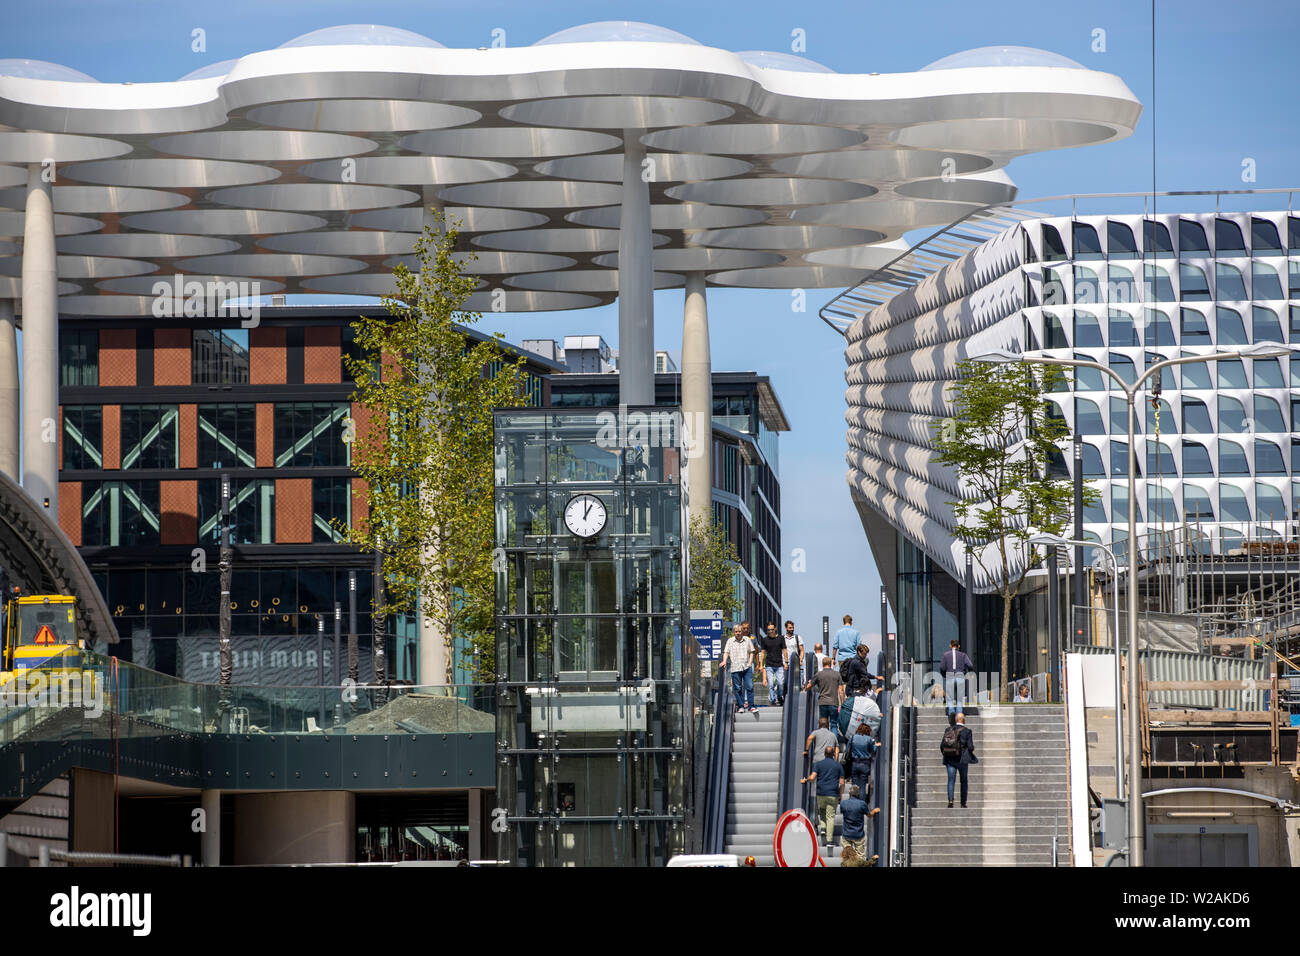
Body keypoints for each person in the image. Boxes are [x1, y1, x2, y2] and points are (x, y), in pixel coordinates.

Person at [800, 744, 843, 849]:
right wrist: (840, 795)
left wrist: (806, 780)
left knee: (822, 811)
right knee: (830, 816)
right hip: (833, 794)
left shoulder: (819, 764)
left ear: (824, 754)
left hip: (821, 793)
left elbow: (813, 777)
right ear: (833, 754)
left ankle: (823, 828)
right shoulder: (838, 766)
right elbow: (842, 782)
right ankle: (829, 840)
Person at [941, 712, 976, 809]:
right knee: (963, 781)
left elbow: (942, 745)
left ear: (956, 720)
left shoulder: (948, 730)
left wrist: (947, 754)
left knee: (951, 780)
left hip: (950, 759)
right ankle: (963, 803)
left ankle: (950, 801)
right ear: (963, 720)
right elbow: (970, 746)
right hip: (962, 759)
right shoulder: (967, 731)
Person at [838, 784, 880, 859]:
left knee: (847, 857)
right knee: (860, 856)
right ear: (858, 793)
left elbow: (842, 812)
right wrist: (874, 811)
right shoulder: (862, 804)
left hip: (846, 834)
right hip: (858, 834)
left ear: (849, 793)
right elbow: (869, 815)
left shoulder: (843, 804)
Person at [720, 624, 754, 714]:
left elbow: (751, 652)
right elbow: (726, 652)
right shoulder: (730, 641)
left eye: (739, 631)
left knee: (749, 687)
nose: (738, 633)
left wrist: (750, 663)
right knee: (737, 688)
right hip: (735, 668)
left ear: (742, 631)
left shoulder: (747, 640)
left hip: (746, 667)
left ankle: (751, 706)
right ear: (734, 632)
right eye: (736, 632)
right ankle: (741, 706)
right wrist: (724, 661)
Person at [939, 638, 975, 722]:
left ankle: (951, 711)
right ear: (958, 646)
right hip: (960, 676)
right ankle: (959, 714)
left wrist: (944, 674)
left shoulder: (945, 655)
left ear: (950, 646)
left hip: (950, 676)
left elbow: (942, 667)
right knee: (959, 698)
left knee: (950, 697)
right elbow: (970, 665)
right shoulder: (963, 655)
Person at [806, 656, 843, 727]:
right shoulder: (837, 674)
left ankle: (823, 737)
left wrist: (805, 688)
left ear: (823, 664)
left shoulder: (819, 674)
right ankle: (833, 737)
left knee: (823, 724)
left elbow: (809, 686)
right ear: (831, 664)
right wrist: (842, 703)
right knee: (834, 724)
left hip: (822, 702)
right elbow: (841, 691)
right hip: (834, 703)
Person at [758, 622, 788, 706]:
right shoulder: (765, 640)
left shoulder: (781, 638)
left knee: (780, 683)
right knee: (770, 684)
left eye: (772, 629)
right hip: (769, 665)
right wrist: (761, 665)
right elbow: (763, 653)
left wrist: (786, 662)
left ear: (775, 629)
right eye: (768, 630)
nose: (770, 631)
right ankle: (772, 699)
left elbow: (784, 651)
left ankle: (779, 696)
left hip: (779, 665)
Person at [847, 723, 878, 798]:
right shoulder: (869, 739)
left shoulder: (853, 737)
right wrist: (876, 746)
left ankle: (853, 801)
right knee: (863, 786)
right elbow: (872, 751)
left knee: (854, 784)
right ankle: (861, 802)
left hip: (854, 762)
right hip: (865, 764)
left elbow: (848, 749)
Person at [783, 620, 804, 687]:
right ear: (786, 628)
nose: (792, 629)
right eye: (790, 628)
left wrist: (800, 660)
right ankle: (785, 696)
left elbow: (802, 650)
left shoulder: (798, 638)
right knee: (785, 682)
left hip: (795, 664)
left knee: (796, 683)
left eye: (792, 627)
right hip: (785, 664)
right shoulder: (782, 638)